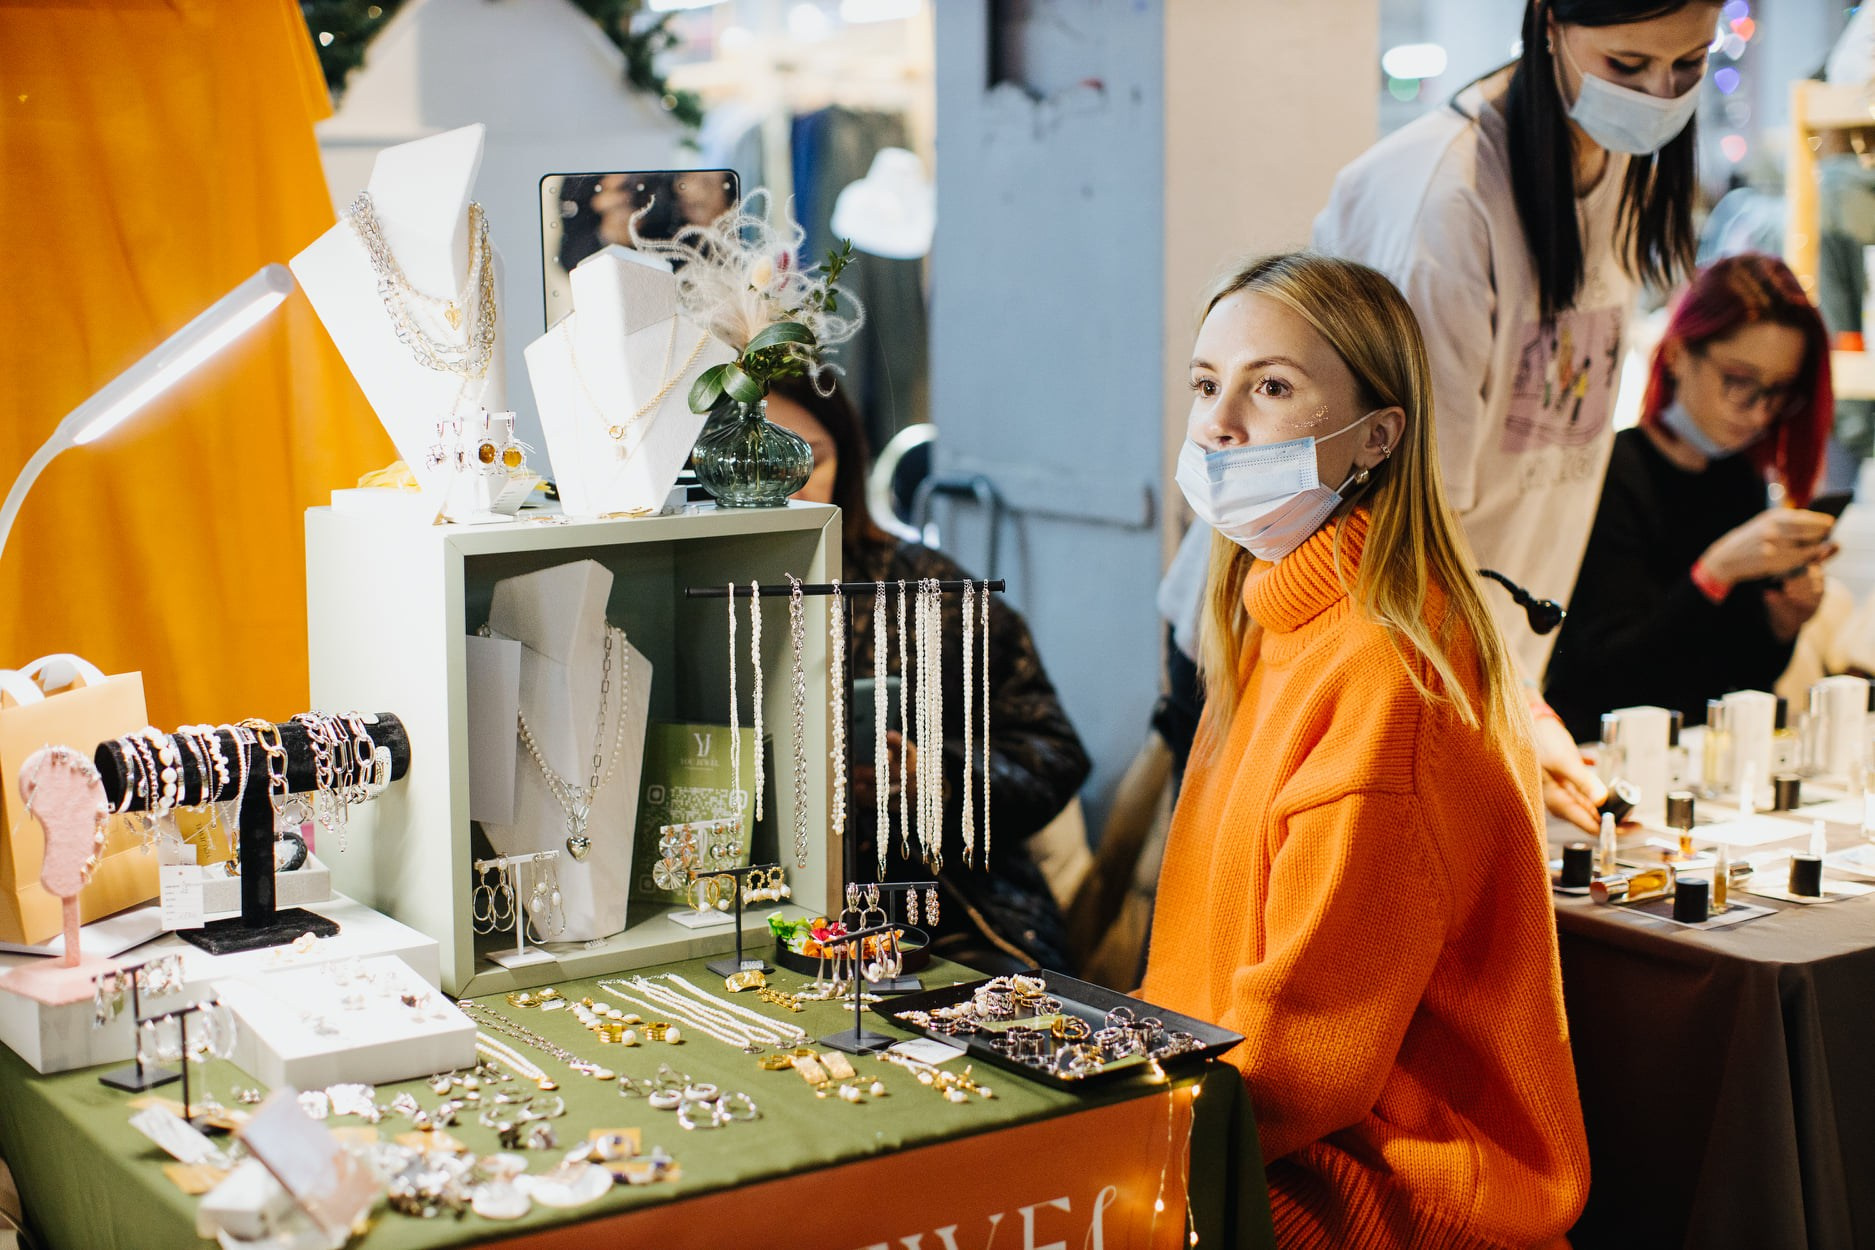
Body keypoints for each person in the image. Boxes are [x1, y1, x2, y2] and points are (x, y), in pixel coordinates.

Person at [1142, 253, 1587, 1247]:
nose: (1219, 425)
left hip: (1371, 1196)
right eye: (1207, 385)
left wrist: (1106, 1136)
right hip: (1250, 1141)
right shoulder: (1264, 620)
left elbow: (1302, 1070)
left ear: (1378, 436)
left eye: (1271, 387)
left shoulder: (1388, 677)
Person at [1313, 0, 1719, 830]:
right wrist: (1510, 701)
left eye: (1688, 63)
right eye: (1627, 65)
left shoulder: (1615, 157)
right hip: (1363, 653)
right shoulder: (1444, 200)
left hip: (1472, 659)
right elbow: (1399, 523)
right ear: (1547, 24)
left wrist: (1512, 694)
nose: (1659, 96)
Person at [763, 377, 1092, 973]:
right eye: (762, 461)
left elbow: (1054, 755)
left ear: (847, 462)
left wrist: (933, 777)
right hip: (763, 901)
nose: (788, 484)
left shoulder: (933, 594)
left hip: (948, 910)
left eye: (811, 459)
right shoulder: (693, 585)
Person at [1545, 253, 1837, 741]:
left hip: (1701, 755)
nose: (1757, 413)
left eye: (1777, 392)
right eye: (1738, 381)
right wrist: (1714, 574)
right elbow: (1604, 676)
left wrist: (1782, 624)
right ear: (1679, 353)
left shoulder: (1740, 481)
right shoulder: (1611, 474)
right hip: (1602, 752)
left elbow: (1739, 680)